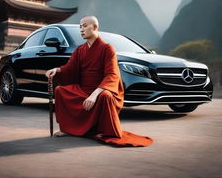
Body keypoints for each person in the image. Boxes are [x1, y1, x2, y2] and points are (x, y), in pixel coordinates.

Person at [46, 16, 153, 147]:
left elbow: (112, 74)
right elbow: (70, 68)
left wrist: (94, 94)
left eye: (84, 26)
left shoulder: (107, 48)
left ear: (95, 27)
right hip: (84, 88)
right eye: (80, 26)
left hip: (101, 89)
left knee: (106, 96)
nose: (81, 29)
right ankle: (68, 129)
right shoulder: (80, 50)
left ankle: (103, 131)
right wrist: (57, 70)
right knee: (60, 91)